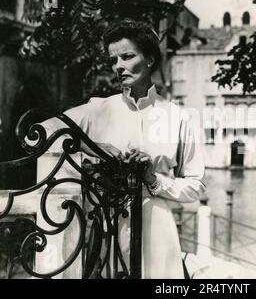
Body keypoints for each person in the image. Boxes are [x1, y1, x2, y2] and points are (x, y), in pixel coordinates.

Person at [31, 19, 206, 278]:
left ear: (149, 59)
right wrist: (92, 146)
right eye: (114, 60)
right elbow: (38, 134)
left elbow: (196, 186)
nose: (119, 67)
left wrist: (153, 179)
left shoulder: (180, 117)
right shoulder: (97, 109)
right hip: (106, 227)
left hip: (156, 231)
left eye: (126, 56)